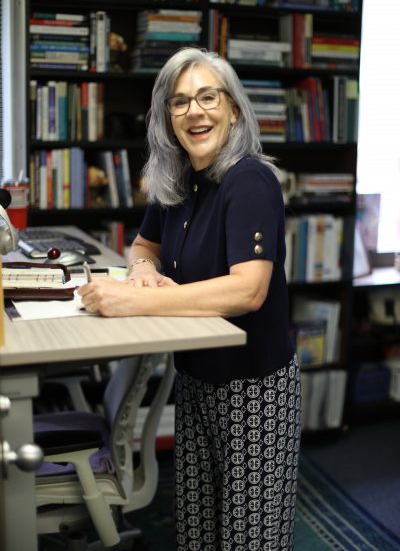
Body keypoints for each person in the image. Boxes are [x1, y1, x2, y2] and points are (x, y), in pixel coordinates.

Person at [79, 47, 301, 551]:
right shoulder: (174, 179)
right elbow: (143, 246)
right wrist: (141, 270)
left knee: (251, 540)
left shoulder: (250, 179)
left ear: (234, 109)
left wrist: (131, 301)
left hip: (254, 390)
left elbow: (249, 289)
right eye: (179, 103)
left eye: (207, 97)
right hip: (196, 380)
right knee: (198, 534)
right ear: (167, 118)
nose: (194, 112)